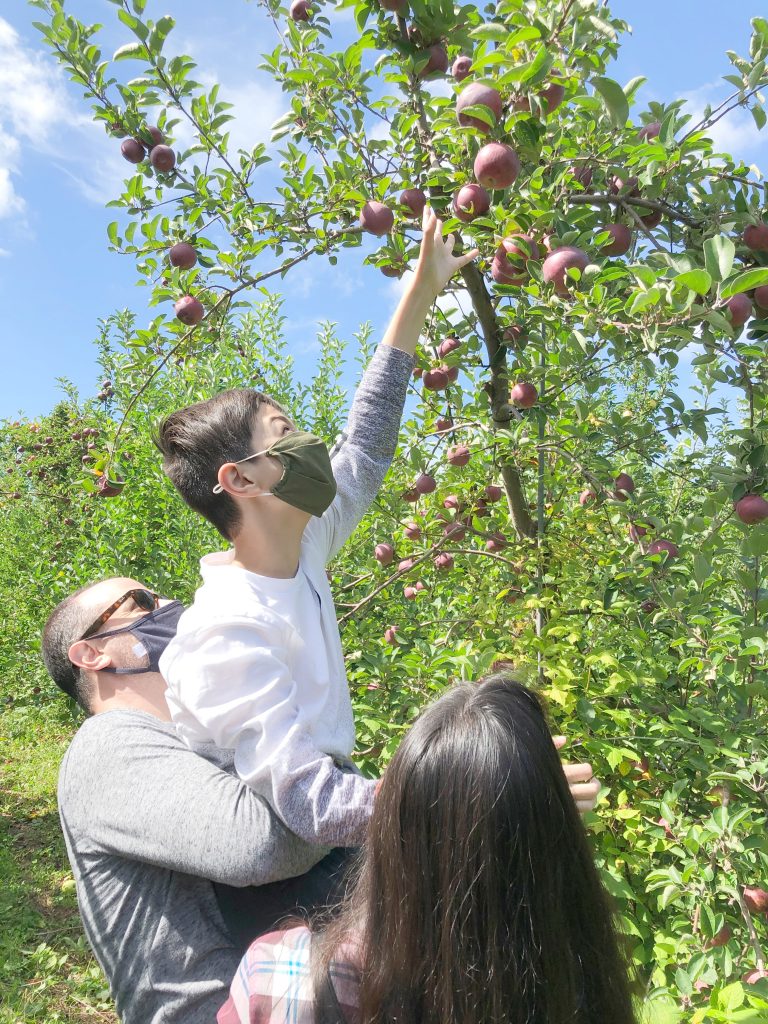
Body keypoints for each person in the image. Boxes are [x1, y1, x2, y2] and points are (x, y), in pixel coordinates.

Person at [43, 579, 601, 1024]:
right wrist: (457, 793)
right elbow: (260, 846)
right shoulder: (108, 743)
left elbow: (314, 814)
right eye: (140, 601)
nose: (169, 604)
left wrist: (501, 801)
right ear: (90, 653)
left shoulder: (200, 739)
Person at [155, 205, 479, 848]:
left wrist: (418, 295)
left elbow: (367, 443)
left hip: (333, 823)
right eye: (285, 436)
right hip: (276, 872)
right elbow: (311, 801)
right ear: (241, 481)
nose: (310, 445)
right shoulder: (226, 630)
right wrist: (468, 797)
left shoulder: (304, 546)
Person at [219, 667, 637, 1024]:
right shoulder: (584, 986)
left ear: (391, 830)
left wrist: (439, 790)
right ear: (559, 851)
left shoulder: (280, 980)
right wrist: (525, 807)